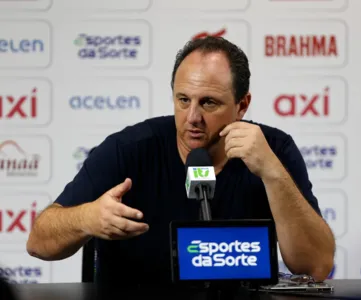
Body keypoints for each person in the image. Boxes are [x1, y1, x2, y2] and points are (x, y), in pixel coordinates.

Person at [26, 36, 335, 286]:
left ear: (242, 105)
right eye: (183, 100)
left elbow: (316, 266)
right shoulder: (129, 149)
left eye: (209, 103)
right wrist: (86, 217)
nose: (192, 118)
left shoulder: (274, 150)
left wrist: (273, 174)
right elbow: (38, 242)